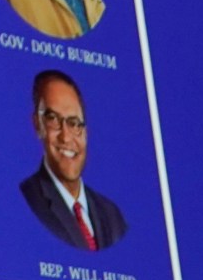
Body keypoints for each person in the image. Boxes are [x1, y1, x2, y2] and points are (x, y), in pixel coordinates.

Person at [19, 70, 128, 251]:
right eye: (53, 120)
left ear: (85, 132)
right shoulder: (28, 201)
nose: (66, 137)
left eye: (74, 123)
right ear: (38, 125)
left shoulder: (112, 216)